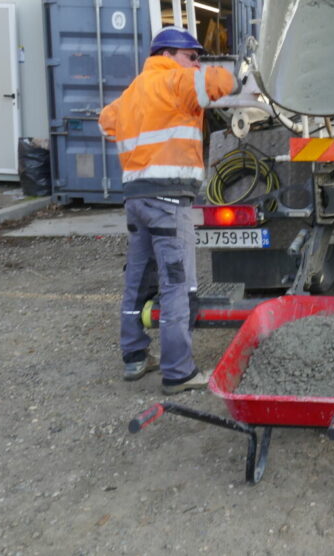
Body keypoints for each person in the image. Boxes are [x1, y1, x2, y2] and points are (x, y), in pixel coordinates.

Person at [99, 27, 236, 393]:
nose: (197, 63)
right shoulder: (176, 81)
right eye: (193, 56)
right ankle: (179, 372)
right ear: (171, 53)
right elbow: (220, 82)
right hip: (169, 199)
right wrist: (233, 72)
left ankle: (135, 357)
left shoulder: (132, 93)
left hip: (136, 198)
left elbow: (106, 121)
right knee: (178, 285)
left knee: (138, 278)